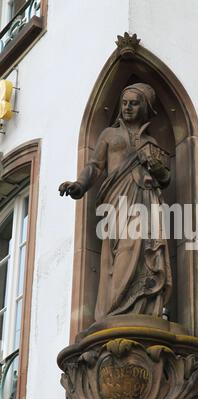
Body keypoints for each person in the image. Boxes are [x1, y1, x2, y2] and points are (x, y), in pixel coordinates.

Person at [59, 83, 172, 321]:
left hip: (146, 199)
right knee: (121, 250)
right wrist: (79, 185)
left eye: (134, 103)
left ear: (145, 107)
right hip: (117, 199)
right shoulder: (109, 135)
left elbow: (166, 177)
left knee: (142, 250)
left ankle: (140, 306)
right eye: (125, 103)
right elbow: (95, 165)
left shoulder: (151, 141)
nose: (128, 107)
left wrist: (156, 167)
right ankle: (115, 309)